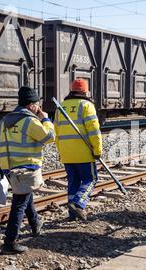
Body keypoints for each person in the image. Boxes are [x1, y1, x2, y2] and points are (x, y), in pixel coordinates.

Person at [0, 86, 56, 254]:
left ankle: (35, 223)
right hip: (26, 168)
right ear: (30, 105)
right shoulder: (30, 121)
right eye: (37, 104)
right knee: (19, 204)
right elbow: (49, 137)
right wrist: (46, 120)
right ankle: (10, 242)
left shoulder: (5, 120)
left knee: (25, 195)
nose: (38, 108)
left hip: (8, 167)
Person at [53, 79, 102, 221]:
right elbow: (94, 131)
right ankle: (79, 203)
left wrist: (61, 152)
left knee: (73, 181)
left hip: (67, 154)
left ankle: (72, 214)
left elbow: (56, 133)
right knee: (90, 179)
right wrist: (98, 150)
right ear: (85, 91)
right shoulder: (87, 105)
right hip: (84, 153)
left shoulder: (60, 107)